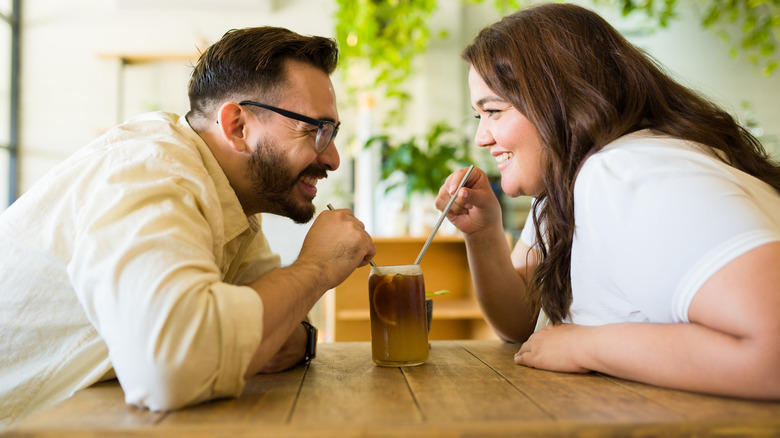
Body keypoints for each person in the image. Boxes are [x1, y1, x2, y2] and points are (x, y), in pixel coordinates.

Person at [0, 26, 375, 428]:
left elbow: (281, 334)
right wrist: (315, 268)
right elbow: (172, 367)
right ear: (237, 127)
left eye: (332, 132)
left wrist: (282, 328)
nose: (333, 158)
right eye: (314, 130)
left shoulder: (230, 202)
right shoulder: (150, 173)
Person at [437, 3, 780, 399]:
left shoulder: (626, 174)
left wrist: (587, 345)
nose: (482, 138)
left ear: (561, 98)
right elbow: (519, 324)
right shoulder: (564, 186)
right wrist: (483, 234)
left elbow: (772, 348)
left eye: (494, 111)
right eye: (479, 117)